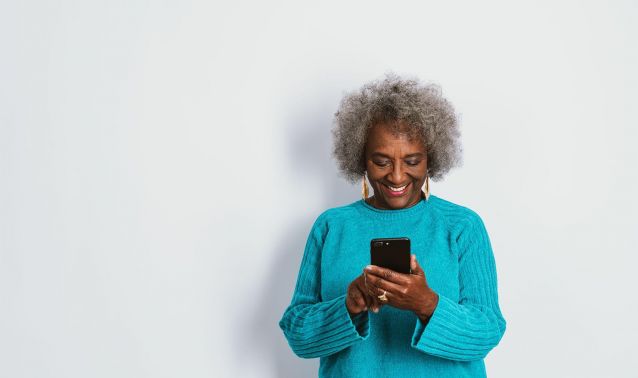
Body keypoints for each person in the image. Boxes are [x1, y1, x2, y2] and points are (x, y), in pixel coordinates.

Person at [278, 74, 506, 377]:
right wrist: (349, 306)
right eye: (382, 161)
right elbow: (298, 335)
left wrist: (427, 304)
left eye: (412, 161)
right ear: (361, 158)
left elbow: (487, 332)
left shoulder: (462, 227)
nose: (397, 177)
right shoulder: (332, 227)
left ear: (431, 159)